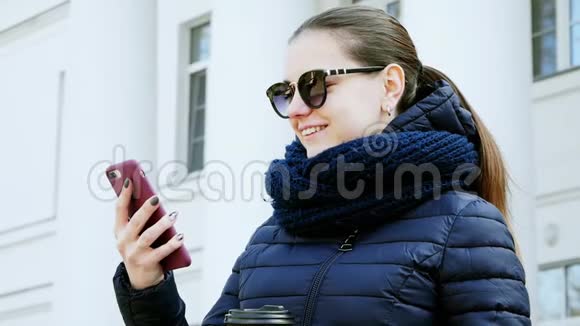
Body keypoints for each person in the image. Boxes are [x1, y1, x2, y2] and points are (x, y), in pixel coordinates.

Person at [112, 6, 531, 326]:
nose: (295, 109)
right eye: (285, 92)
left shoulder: (464, 224)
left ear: (390, 85)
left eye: (315, 85)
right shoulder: (271, 238)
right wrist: (148, 285)